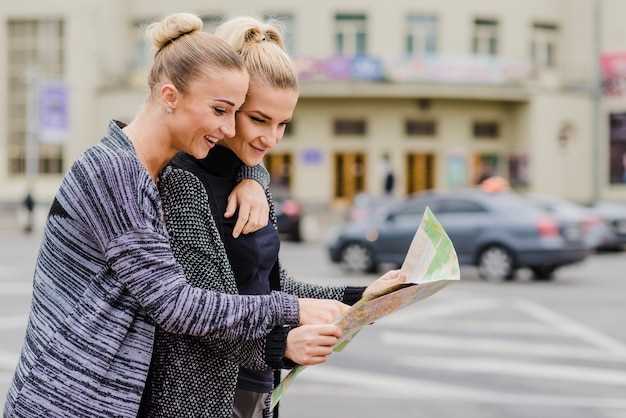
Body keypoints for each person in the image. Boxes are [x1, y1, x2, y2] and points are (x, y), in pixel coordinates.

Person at [3, 13, 347, 418]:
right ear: (169, 96)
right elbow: (175, 303)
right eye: (221, 110)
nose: (226, 127)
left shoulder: (147, 173)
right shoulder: (114, 171)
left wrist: (253, 174)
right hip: (64, 401)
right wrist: (291, 311)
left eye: (234, 112)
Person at [139, 16, 407, 418]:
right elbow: (195, 314)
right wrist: (280, 344)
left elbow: (273, 287)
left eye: (283, 124)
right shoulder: (182, 179)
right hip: (194, 397)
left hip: (257, 389)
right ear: (229, 104)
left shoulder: (254, 180)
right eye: (258, 119)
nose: (271, 138)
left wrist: (362, 299)